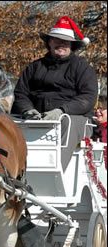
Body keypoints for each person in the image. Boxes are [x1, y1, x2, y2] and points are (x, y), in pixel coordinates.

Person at [12, 16, 98, 171]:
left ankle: (55, 170)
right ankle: (13, 171)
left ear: (72, 45)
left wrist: (62, 111)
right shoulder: (34, 67)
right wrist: (27, 110)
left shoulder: (82, 68)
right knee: (5, 122)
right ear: (49, 42)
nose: (61, 44)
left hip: (75, 119)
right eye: (57, 40)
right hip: (36, 118)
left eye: (65, 41)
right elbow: (21, 93)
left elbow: (88, 98)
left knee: (66, 122)